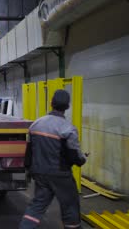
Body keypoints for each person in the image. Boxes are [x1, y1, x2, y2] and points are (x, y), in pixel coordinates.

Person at [19, 89, 88, 229]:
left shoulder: (36, 124)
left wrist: (28, 168)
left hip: (39, 173)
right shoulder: (68, 129)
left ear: (51, 103)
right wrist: (83, 158)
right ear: (67, 107)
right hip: (60, 176)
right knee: (70, 206)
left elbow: (29, 153)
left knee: (37, 205)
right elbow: (75, 157)